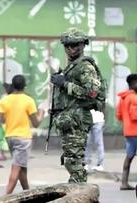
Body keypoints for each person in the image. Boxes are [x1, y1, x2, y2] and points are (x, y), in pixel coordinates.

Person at [50, 28, 104, 183]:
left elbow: (92, 93)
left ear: (82, 45)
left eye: (74, 45)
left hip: (77, 121)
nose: (70, 48)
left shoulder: (85, 66)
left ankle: (80, 191)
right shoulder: (73, 66)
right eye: (66, 45)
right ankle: (78, 188)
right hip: (70, 120)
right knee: (71, 160)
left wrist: (65, 84)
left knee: (74, 163)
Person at [0, 74, 45, 194]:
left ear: (13, 86)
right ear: (24, 86)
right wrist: (41, 112)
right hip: (23, 139)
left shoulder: (4, 100)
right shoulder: (29, 100)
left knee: (21, 168)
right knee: (16, 169)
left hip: (10, 138)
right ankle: (5, 198)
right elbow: (36, 123)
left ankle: (28, 194)